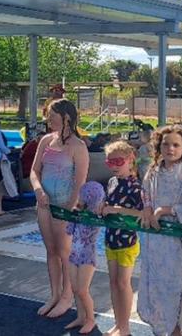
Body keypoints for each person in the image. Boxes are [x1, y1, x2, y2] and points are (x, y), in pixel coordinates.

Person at [30, 98, 90, 318]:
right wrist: (38, 190)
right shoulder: (46, 141)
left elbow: (80, 183)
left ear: (66, 118)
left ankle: (67, 297)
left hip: (64, 206)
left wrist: (70, 207)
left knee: (65, 253)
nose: (48, 120)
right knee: (51, 251)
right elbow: (34, 171)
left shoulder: (78, 147)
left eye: (52, 116)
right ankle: (54, 294)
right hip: (45, 204)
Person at [137, 125, 182, 336]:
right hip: (155, 245)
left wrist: (166, 210)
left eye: (175, 145)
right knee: (156, 292)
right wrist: (147, 208)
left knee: (176, 292)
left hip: (178, 247)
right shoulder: (152, 172)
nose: (170, 148)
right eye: (166, 144)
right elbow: (145, 195)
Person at [97, 140, 145, 336]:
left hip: (127, 241)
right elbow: (108, 203)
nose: (114, 166)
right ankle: (118, 323)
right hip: (111, 240)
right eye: (110, 163)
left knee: (123, 284)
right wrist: (102, 207)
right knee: (114, 283)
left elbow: (142, 213)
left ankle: (125, 327)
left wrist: (115, 209)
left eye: (118, 161)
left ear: (130, 160)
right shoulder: (112, 182)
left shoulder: (135, 186)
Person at [64, 180, 106, 335]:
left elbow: (88, 235)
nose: (78, 198)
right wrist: (73, 216)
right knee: (75, 289)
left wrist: (82, 215)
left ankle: (91, 319)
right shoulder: (78, 214)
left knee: (82, 290)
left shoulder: (95, 217)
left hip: (87, 257)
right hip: (74, 255)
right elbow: (68, 231)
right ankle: (81, 317)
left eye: (81, 197)